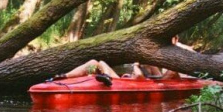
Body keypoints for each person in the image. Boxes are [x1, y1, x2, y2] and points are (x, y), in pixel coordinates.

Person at [51, 36, 195, 83]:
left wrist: (136, 67)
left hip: (131, 82)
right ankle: (64, 77)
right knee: (94, 63)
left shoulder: (182, 52)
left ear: (175, 40)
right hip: (137, 81)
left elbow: (140, 76)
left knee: (99, 63)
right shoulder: (156, 57)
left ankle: (106, 77)